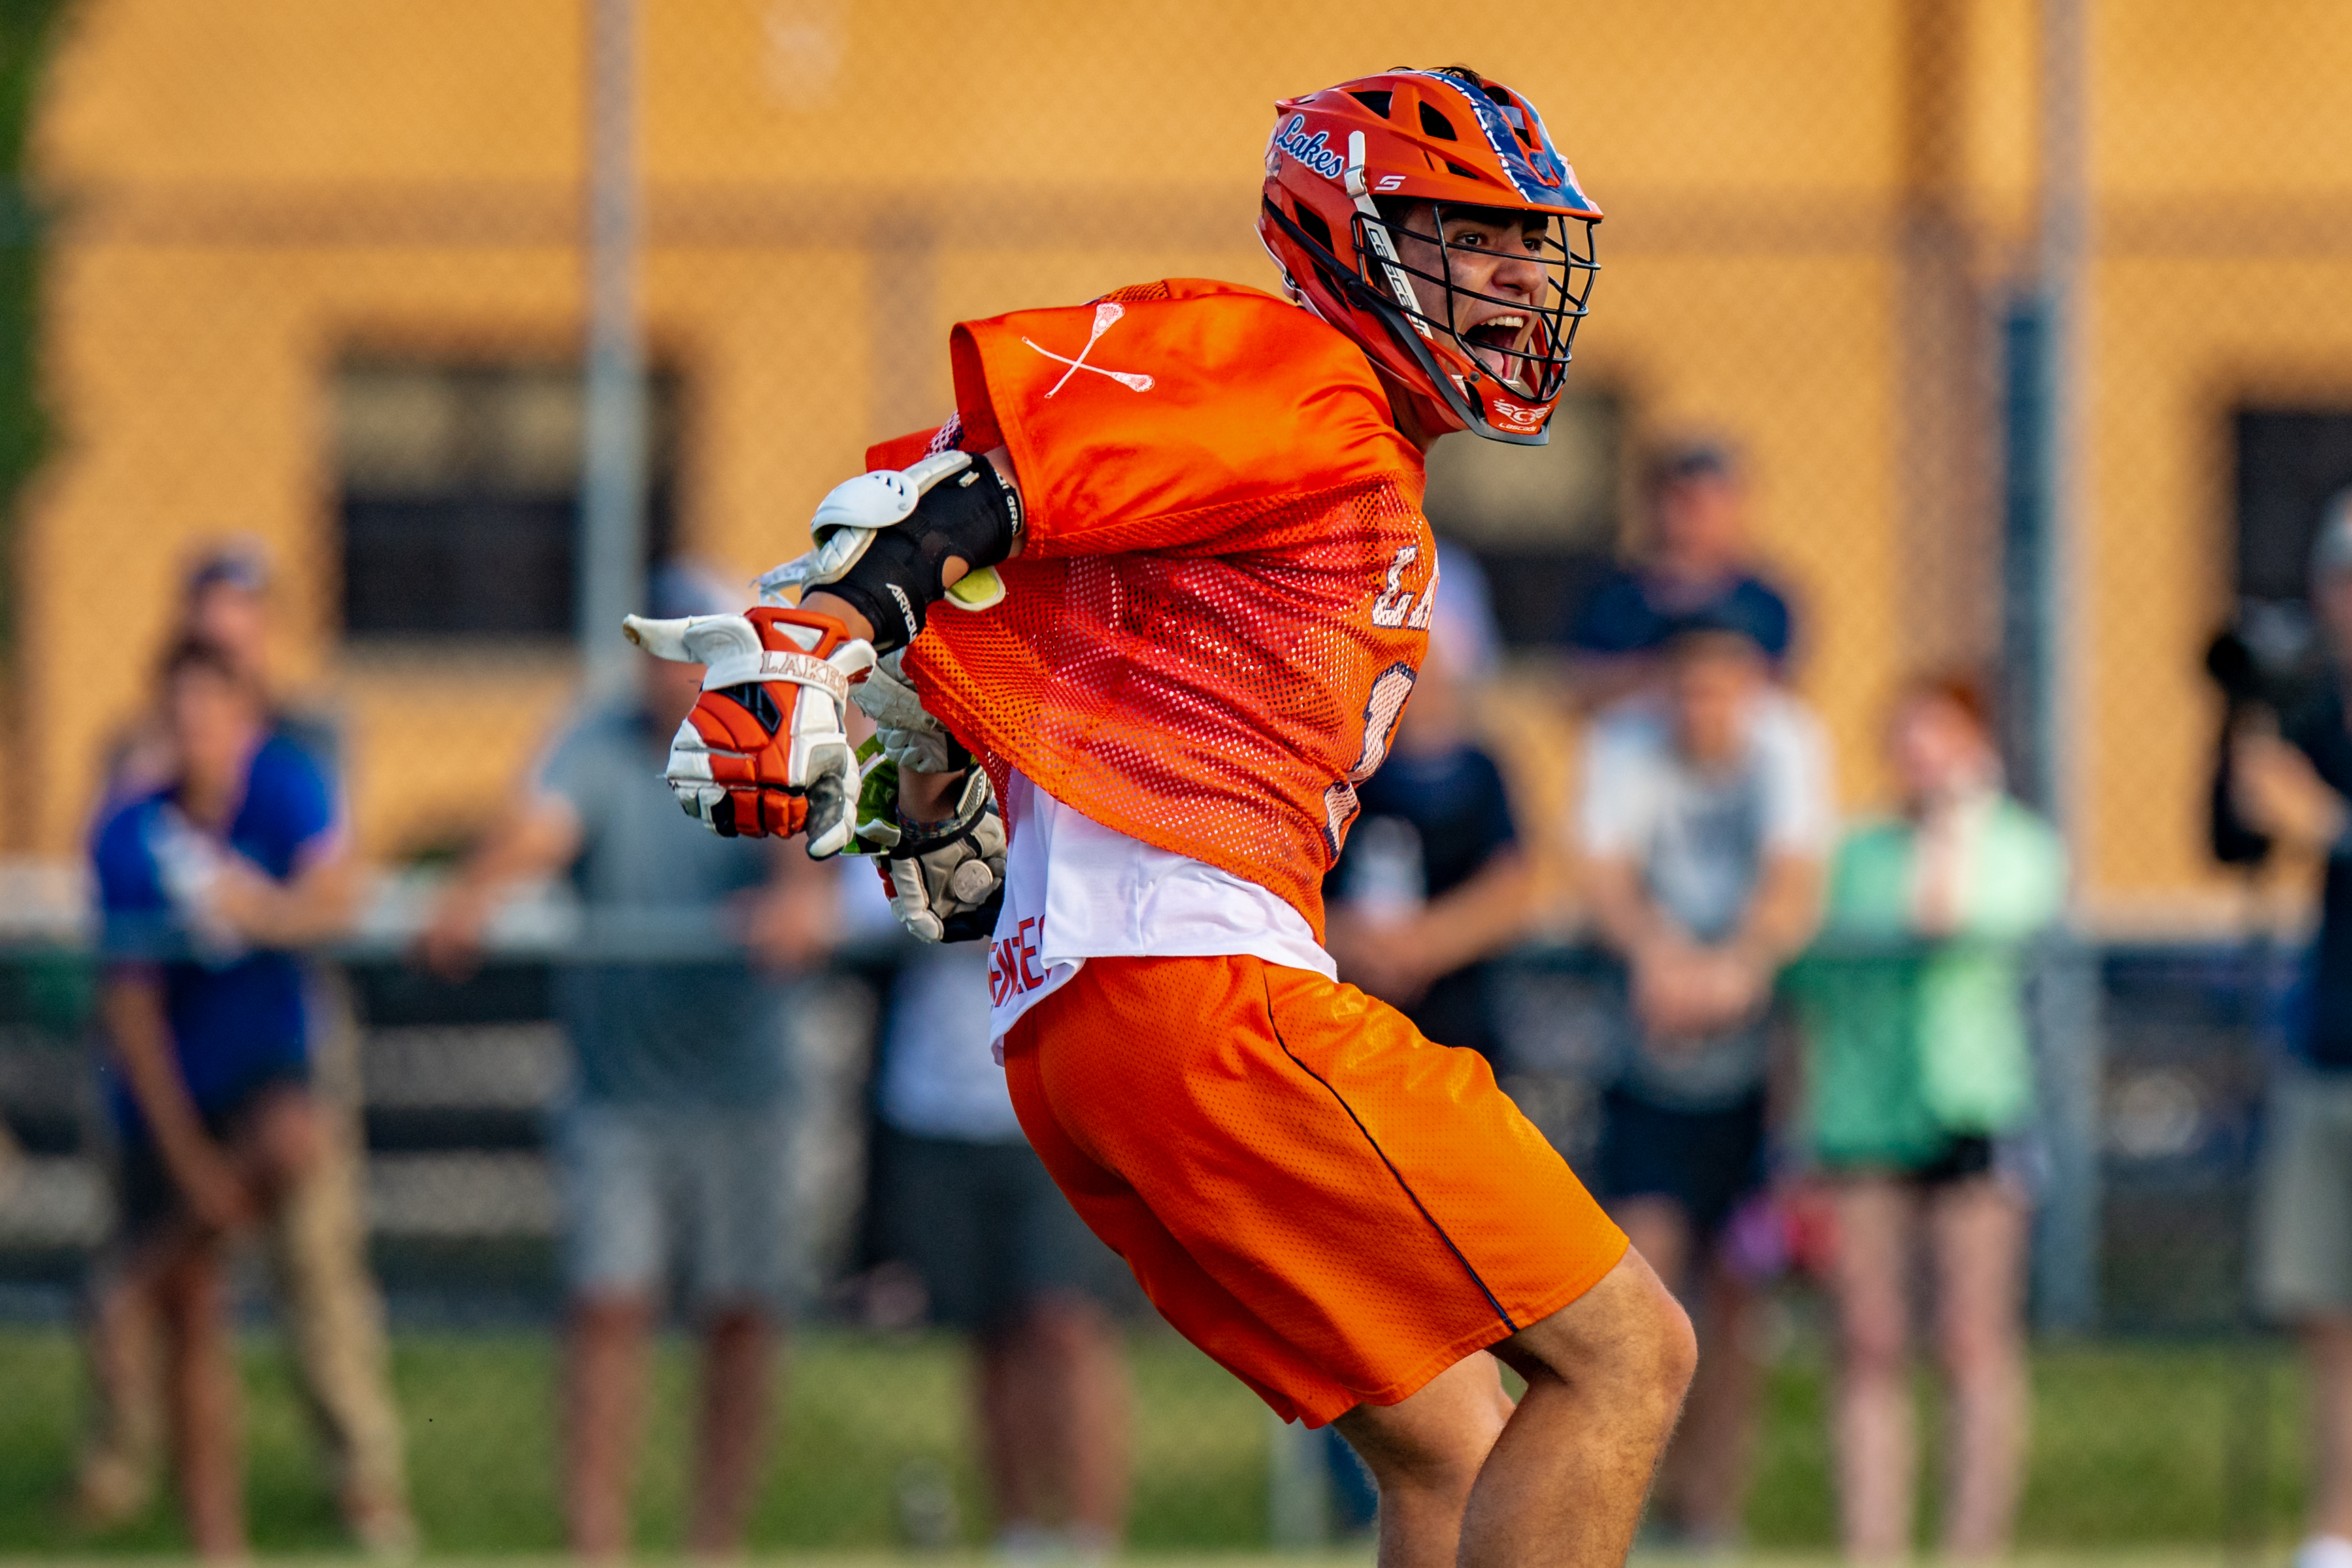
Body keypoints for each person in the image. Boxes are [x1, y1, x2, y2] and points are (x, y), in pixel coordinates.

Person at [623, 67, 1696, 1568]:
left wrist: (923, 775)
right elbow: (979, 480)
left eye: (1529, 243)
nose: (1519, 276)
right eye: (1472, 233)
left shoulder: (1322, 466)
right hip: (1201, 992)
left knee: (1457, 1457)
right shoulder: (1300, 374)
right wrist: (834, 626)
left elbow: (1021, 673)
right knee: (1631, 1355)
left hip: (1084, 1029)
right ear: (1347, 232)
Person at [418, 563, 832, 1561]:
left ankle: (713, 1542)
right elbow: (541, 832)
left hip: (745, 1093)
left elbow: (807, 861)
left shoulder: (776, 738)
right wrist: (472, 894)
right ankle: (595, 1543)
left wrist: (796, 902)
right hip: (620, 1092)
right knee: (608, 1308)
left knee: (742, 1313)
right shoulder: (594, 746)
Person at [76, 541, 414, 1556]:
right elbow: (128, 1001)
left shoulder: (295, 757)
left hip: (271, 1048)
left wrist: (262, 913)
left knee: (310, 1235)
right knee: (196, 1311)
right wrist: (189, 1163)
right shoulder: (130, 801)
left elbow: (334, 886)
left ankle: (361, 1476)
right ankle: (186, 1512)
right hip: (175, 1075)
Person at [1793, 673, 2064, 1563]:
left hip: (1972, 1106)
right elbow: (1810, 988)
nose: (1919, 758)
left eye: (1939, 737)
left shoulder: (2016, 846)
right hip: (1862, 1113)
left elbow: (1944, 917)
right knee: (1869, 1340)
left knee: (1969, 1338)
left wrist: (1958, 822)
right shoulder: (1857, 854)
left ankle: (1969, 1548)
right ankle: (1871, 1547)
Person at [1575, 617, 1830, 1548]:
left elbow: (1794, 879)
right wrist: (1659, 957)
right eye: (1686, 692)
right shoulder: (1622, 745)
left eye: (1720, 692)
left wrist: (1740, 962)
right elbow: (1602, 875)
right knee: (1637, 1291)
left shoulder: (1789, 744)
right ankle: (1624, 1513)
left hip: (1756, 1076)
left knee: (1737, 1300)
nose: (1703, 711)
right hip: (1648, 1064)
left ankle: (1710, 1510)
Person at [869, 928, 1133, 1558]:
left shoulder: (1069, 820)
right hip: (937, 1102)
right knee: (987, 1331)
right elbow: (859, 889)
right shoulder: (886, 821)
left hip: (1058, 1085)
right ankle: (1018, 1538)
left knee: (1064, 1322)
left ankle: (1091, 1540)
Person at [2228, 493, 2352, 1568]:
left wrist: (2330, 826)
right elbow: (2231, 842)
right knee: (2327, 1304)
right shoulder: (2313, 707)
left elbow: (2317, 829)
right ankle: (2333, 1532)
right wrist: (2244, 720)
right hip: (2328, 1038)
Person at [1325, 541, 1533, 1064]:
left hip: (1454, 1014)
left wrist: (1424, 944)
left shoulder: (1480, 771)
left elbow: (1509, 883)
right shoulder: (1342, 767)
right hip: (1342, 1006)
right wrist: (1352, 940)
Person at [1561, 441, 1798, 712]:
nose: (1693, 515)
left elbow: (1780, 694)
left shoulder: (1763, 602)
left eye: (1707, 502)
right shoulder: (1613, 595)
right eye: (1680, 499)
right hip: (1635, 744)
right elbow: (1578, 687)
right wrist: (1677, 671)